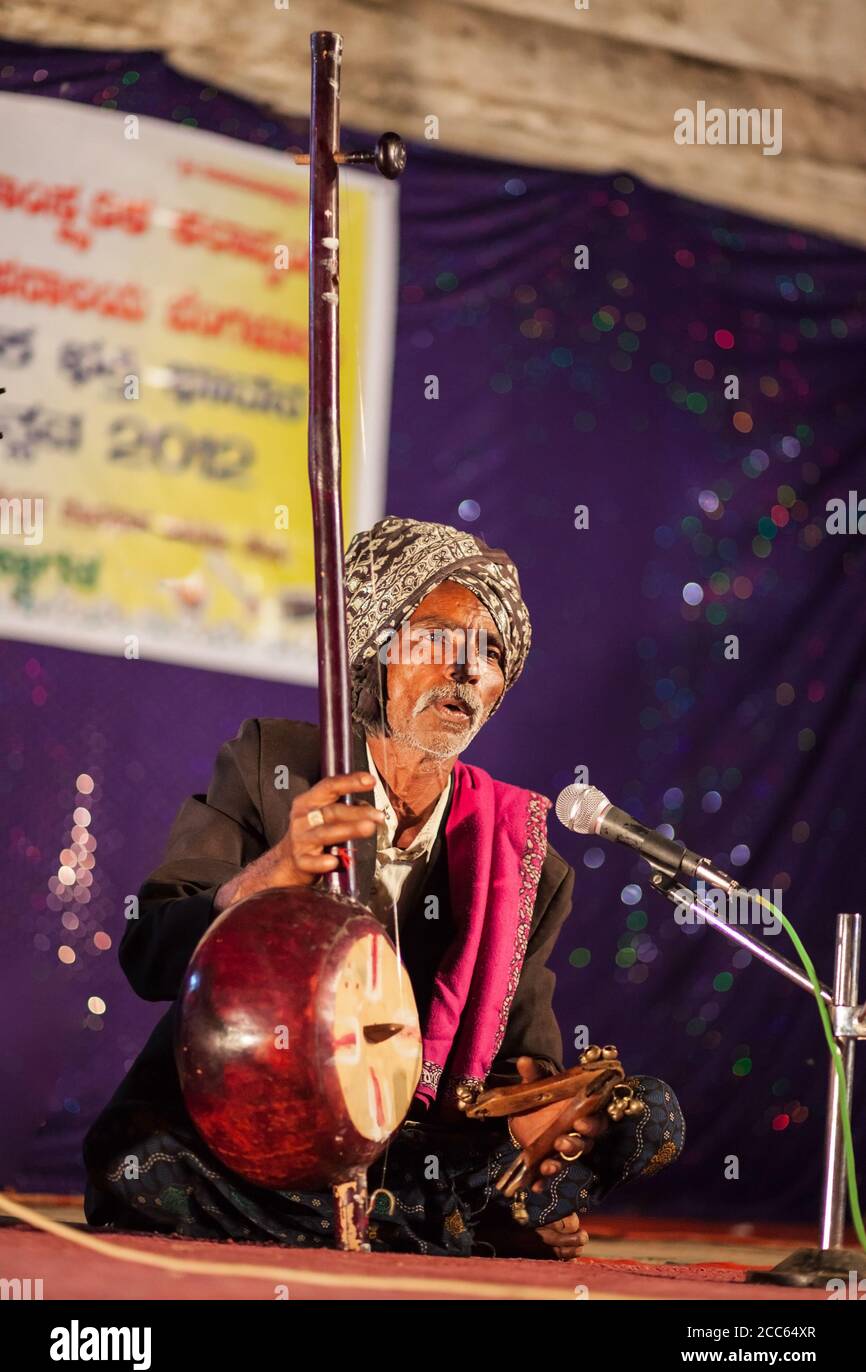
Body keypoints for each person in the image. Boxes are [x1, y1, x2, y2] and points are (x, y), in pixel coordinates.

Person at [83, 516, 684, 1260]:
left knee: (647, 1116)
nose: (468, 670)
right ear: (377, 653)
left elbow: (516, 1068)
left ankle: (428, 1218)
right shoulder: (272, 767)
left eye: (490, 653)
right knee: (141, 1168)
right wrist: (278, 871)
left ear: (500, 688)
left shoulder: (521, 855)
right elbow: (149, 953)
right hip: (260, 1137)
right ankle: (443, 1230)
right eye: (439, 639)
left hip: (418, 1148)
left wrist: (549, 1115)